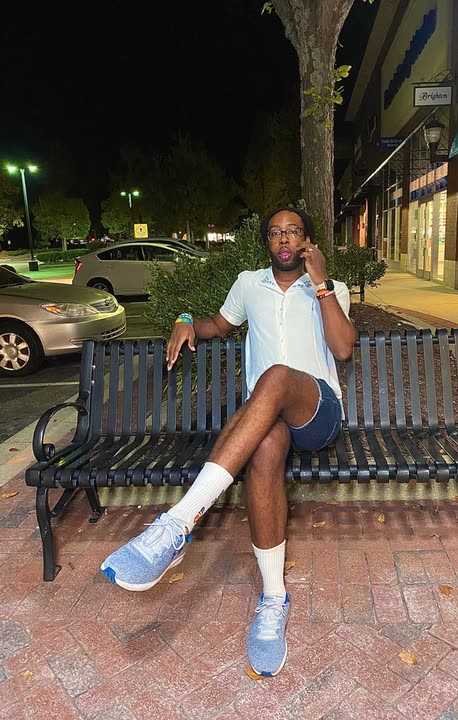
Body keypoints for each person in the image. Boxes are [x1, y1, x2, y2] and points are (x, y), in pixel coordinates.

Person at [101, 207, 357, 677]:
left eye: (293, 231)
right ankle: (274, 599)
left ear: (307, 240)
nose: (284, 239)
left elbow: (342, 348)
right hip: (266, 420)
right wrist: (184, 319)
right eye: (276, 232)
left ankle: (178, 522)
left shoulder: (329, 288)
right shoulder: (248, 284)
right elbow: (218, 325)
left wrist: (321, 283)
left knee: (276, 376)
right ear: (267, 242)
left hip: (317, 411)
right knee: (264, 449)